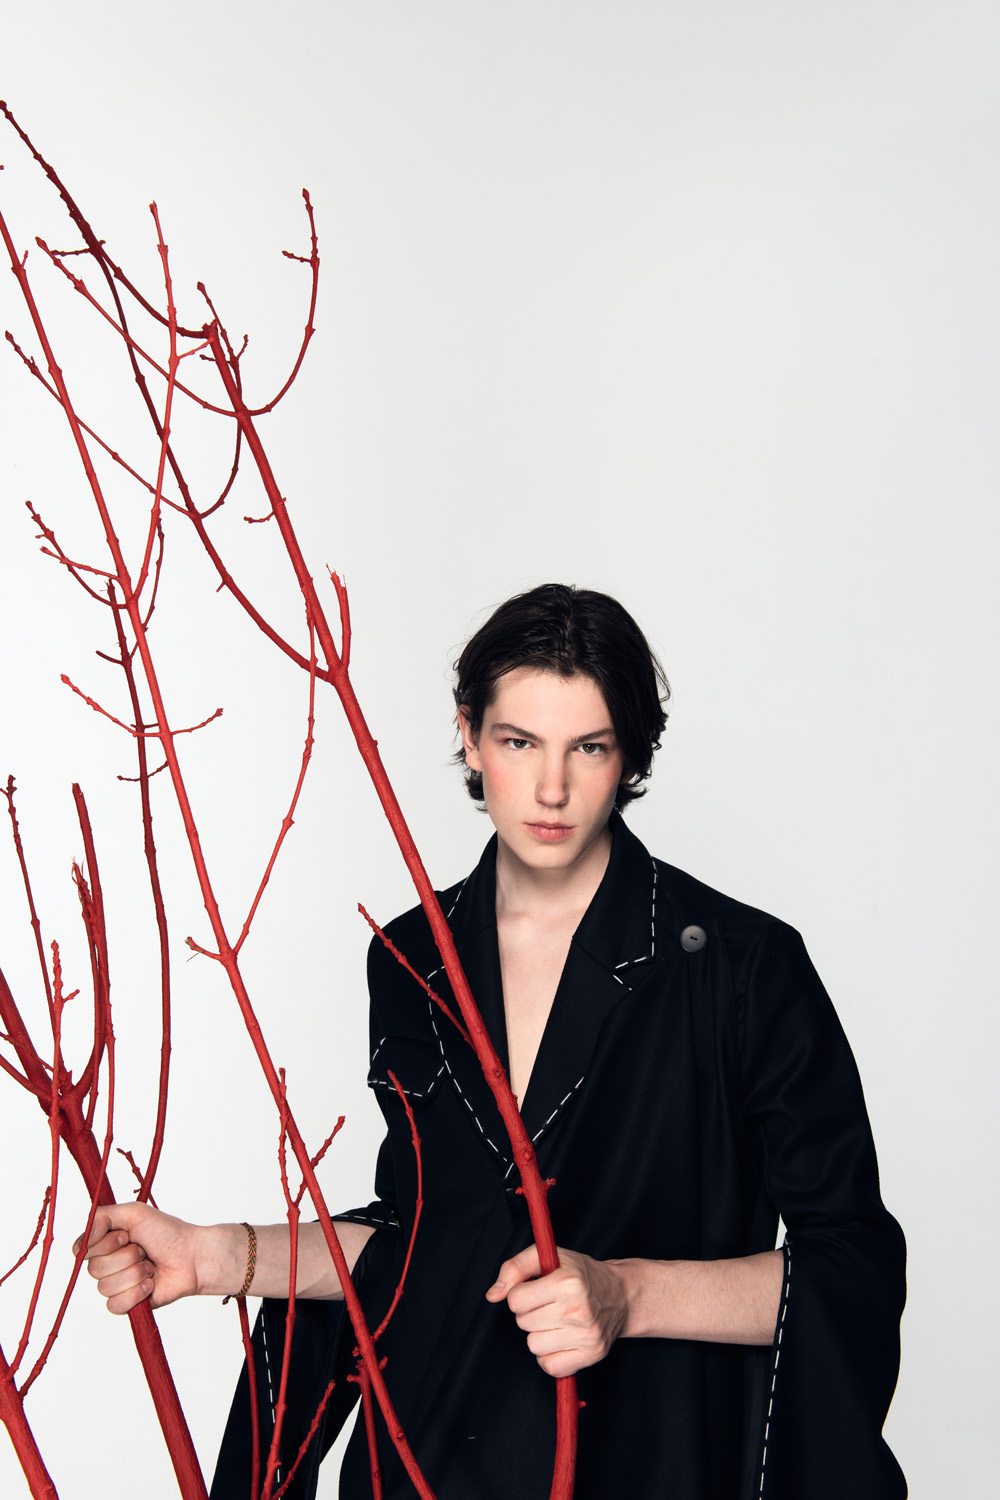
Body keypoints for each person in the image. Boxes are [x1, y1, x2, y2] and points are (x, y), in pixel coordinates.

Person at [76, 584, 906, 1500]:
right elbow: (422, 1240)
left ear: (630, 754)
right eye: (520, 743)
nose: (552, 789)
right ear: (469, 736)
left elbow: (851, 1267)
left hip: (649, 1462)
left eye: (589, 747)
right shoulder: (409, 957)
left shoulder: (742, 966)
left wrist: (626, 1294)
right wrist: (216, 1256)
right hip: (428, 1459)